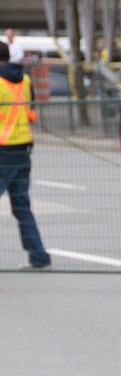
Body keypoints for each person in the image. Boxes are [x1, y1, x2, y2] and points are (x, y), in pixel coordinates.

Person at [0, 40, 51, 271]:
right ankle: (39, 256)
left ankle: (39, 256)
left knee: (21, 206)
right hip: (23, 148)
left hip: (3, 149)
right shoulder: (25, 78)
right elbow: (29, 110)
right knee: (22, 207)